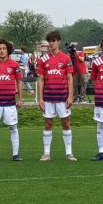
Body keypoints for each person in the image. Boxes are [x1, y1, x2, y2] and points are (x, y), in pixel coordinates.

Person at [37, 30, 76, 162]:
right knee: (48, 124)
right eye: (49, 41)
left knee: (66, 123)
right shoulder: (43, 59)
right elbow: (41, 79)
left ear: (58, 41)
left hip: (62, 97)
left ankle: (69, 153)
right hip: (48, 98)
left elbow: (70, 78)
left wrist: (70, 96)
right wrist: (40, 98)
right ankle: (46, 153)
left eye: (54, 41)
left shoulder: (66, 58)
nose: (51, 43)